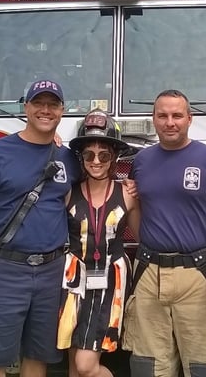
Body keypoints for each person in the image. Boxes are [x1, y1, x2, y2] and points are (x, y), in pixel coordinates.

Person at [0, 79, 81, 377]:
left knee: (37, 358)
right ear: (25, 107)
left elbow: (71, 201)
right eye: (38, 103)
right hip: (5, 270)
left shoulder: (67, 157)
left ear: (62, 111)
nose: (45, 110)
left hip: (53, 271)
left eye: (52, 104)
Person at [122, 89, 206, 377]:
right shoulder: (141, 161)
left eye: (177, 115)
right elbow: (136, 211)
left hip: (198, 274)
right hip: (150, 274)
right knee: (148, 366)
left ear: (190, 119)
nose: (170, 122)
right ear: (154, 120)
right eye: (162, 116)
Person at [57, 109, 140, 377]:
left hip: (110, 281)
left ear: (114, 157)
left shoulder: (127, 194)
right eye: (88, 155)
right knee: (73, 362)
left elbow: (141, 237)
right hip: (72, 281)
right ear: (80, 158)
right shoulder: (68, 191)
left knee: (85, 364)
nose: (96, 161)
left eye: (104, 155)